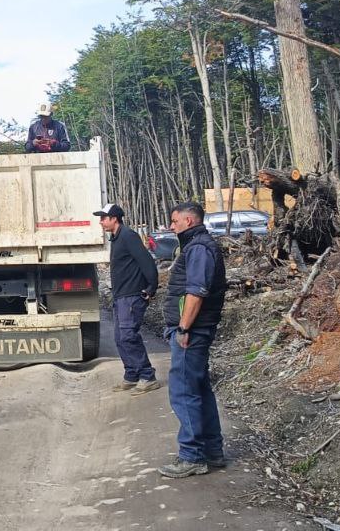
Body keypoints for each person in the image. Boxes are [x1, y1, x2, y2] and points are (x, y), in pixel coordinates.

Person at [159, 201, 228, 479]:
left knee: (184, 391)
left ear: (189, 221)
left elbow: (196, 292)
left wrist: (184, 328)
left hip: (193, 332)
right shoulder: (197, 245)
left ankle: (192, 456)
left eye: (174, 221)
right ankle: (212, 451)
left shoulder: (198, 248)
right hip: (197, 330)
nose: (170, 227)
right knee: (199, 389)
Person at [93, 203, 161, 395]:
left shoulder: (128, 236)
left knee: (128, 336)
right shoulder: (116, 238)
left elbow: (146, 261)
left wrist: (151, 287)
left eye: (103, 218)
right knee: (120, 338)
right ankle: (131, 375)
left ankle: (147, 376)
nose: (101, 222)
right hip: (121, 296)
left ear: (114, 218)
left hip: (132, 296)